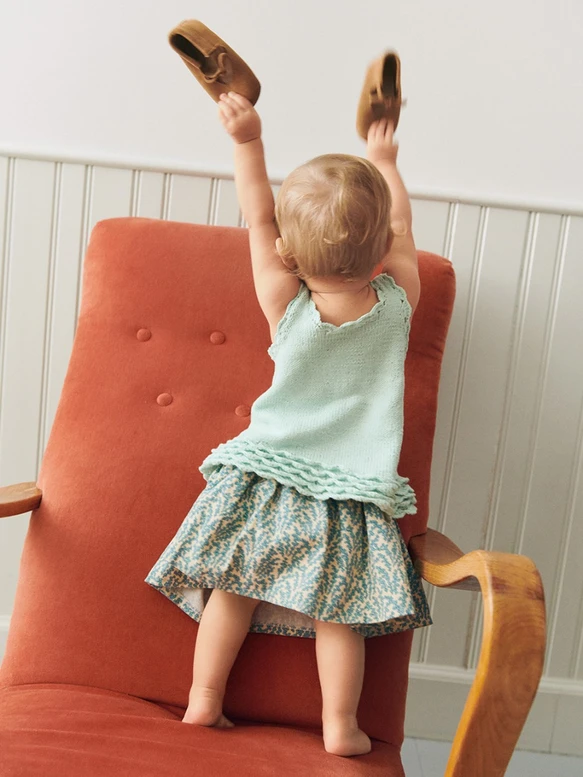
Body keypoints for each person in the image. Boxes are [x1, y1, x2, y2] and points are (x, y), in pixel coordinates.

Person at [146, 91, 431, 757]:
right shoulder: (397, 307)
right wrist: (385, 160)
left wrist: (247, 140)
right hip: (350, 491)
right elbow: (402, 228)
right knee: (339, 612)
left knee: (234, 589)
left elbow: (255, 213)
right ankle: (340, 726)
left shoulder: (285, 303)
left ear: (286, 252)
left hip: (266, 476)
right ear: (382, 249)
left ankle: (204, 699)